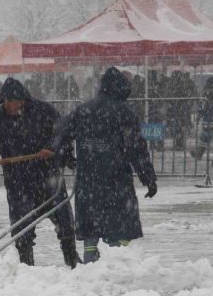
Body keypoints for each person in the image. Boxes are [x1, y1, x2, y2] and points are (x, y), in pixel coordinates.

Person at [0, 78, 79, 268]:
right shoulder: (1, 118)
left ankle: (72, 259)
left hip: (47, 177)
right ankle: (25, 266)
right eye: (3, 101)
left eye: (9, 101)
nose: (6, 105)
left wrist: (52, 148)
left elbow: (64, 134)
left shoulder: (43, 111)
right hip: (18, 181)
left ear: (21, 100)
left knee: (64, 222)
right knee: (21, 228)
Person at [52, 67, 157, 264]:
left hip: (88, 180)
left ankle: (90, 260)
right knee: (120, 225)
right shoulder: (124, 112)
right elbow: (137, 149)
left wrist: (66, 157)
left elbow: (61, 134)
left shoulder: (83, 110)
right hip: (116, 180)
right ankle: (117, 261)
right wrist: (148, 177)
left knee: (90, 225)